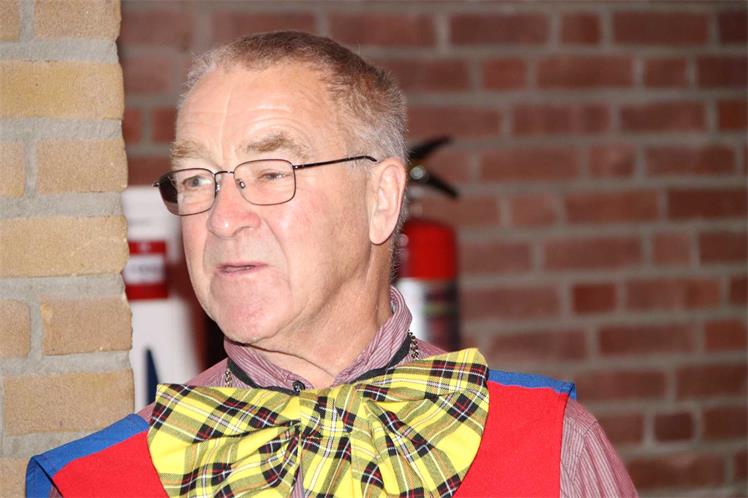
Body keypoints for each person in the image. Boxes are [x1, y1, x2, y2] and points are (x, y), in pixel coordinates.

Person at [26, 31, 636, 497]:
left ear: (380, 200)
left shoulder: (555, 448)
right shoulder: (88, 483)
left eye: (271, 173)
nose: (221, 218)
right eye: (195, 179)